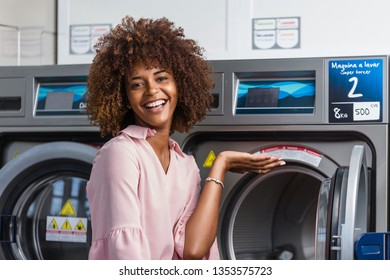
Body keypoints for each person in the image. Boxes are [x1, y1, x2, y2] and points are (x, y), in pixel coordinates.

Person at [85, 16, 286, 260]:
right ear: (124, 97)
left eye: (161, 78)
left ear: (178, 84)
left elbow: (193, 249)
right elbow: (125, 253)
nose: (152, 91)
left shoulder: (185, 165)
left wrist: (220, 165)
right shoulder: (120, 154)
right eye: (137, 84)